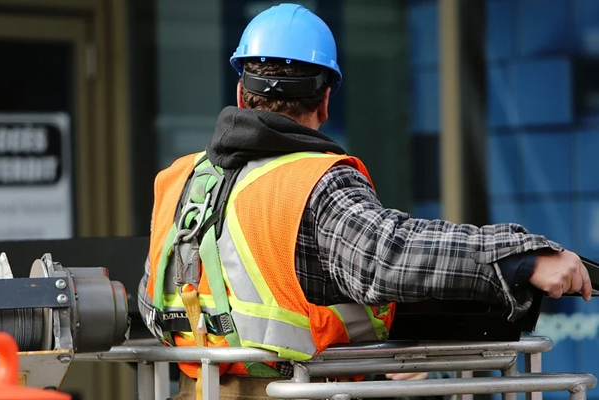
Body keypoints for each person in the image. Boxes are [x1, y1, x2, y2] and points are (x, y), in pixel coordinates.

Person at [138, 3, 592, 399]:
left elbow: (154, 301)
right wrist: (522, 259)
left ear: (240, 93)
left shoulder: (179, 180)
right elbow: (387, 255)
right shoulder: (313, 182)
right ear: (326, 100)